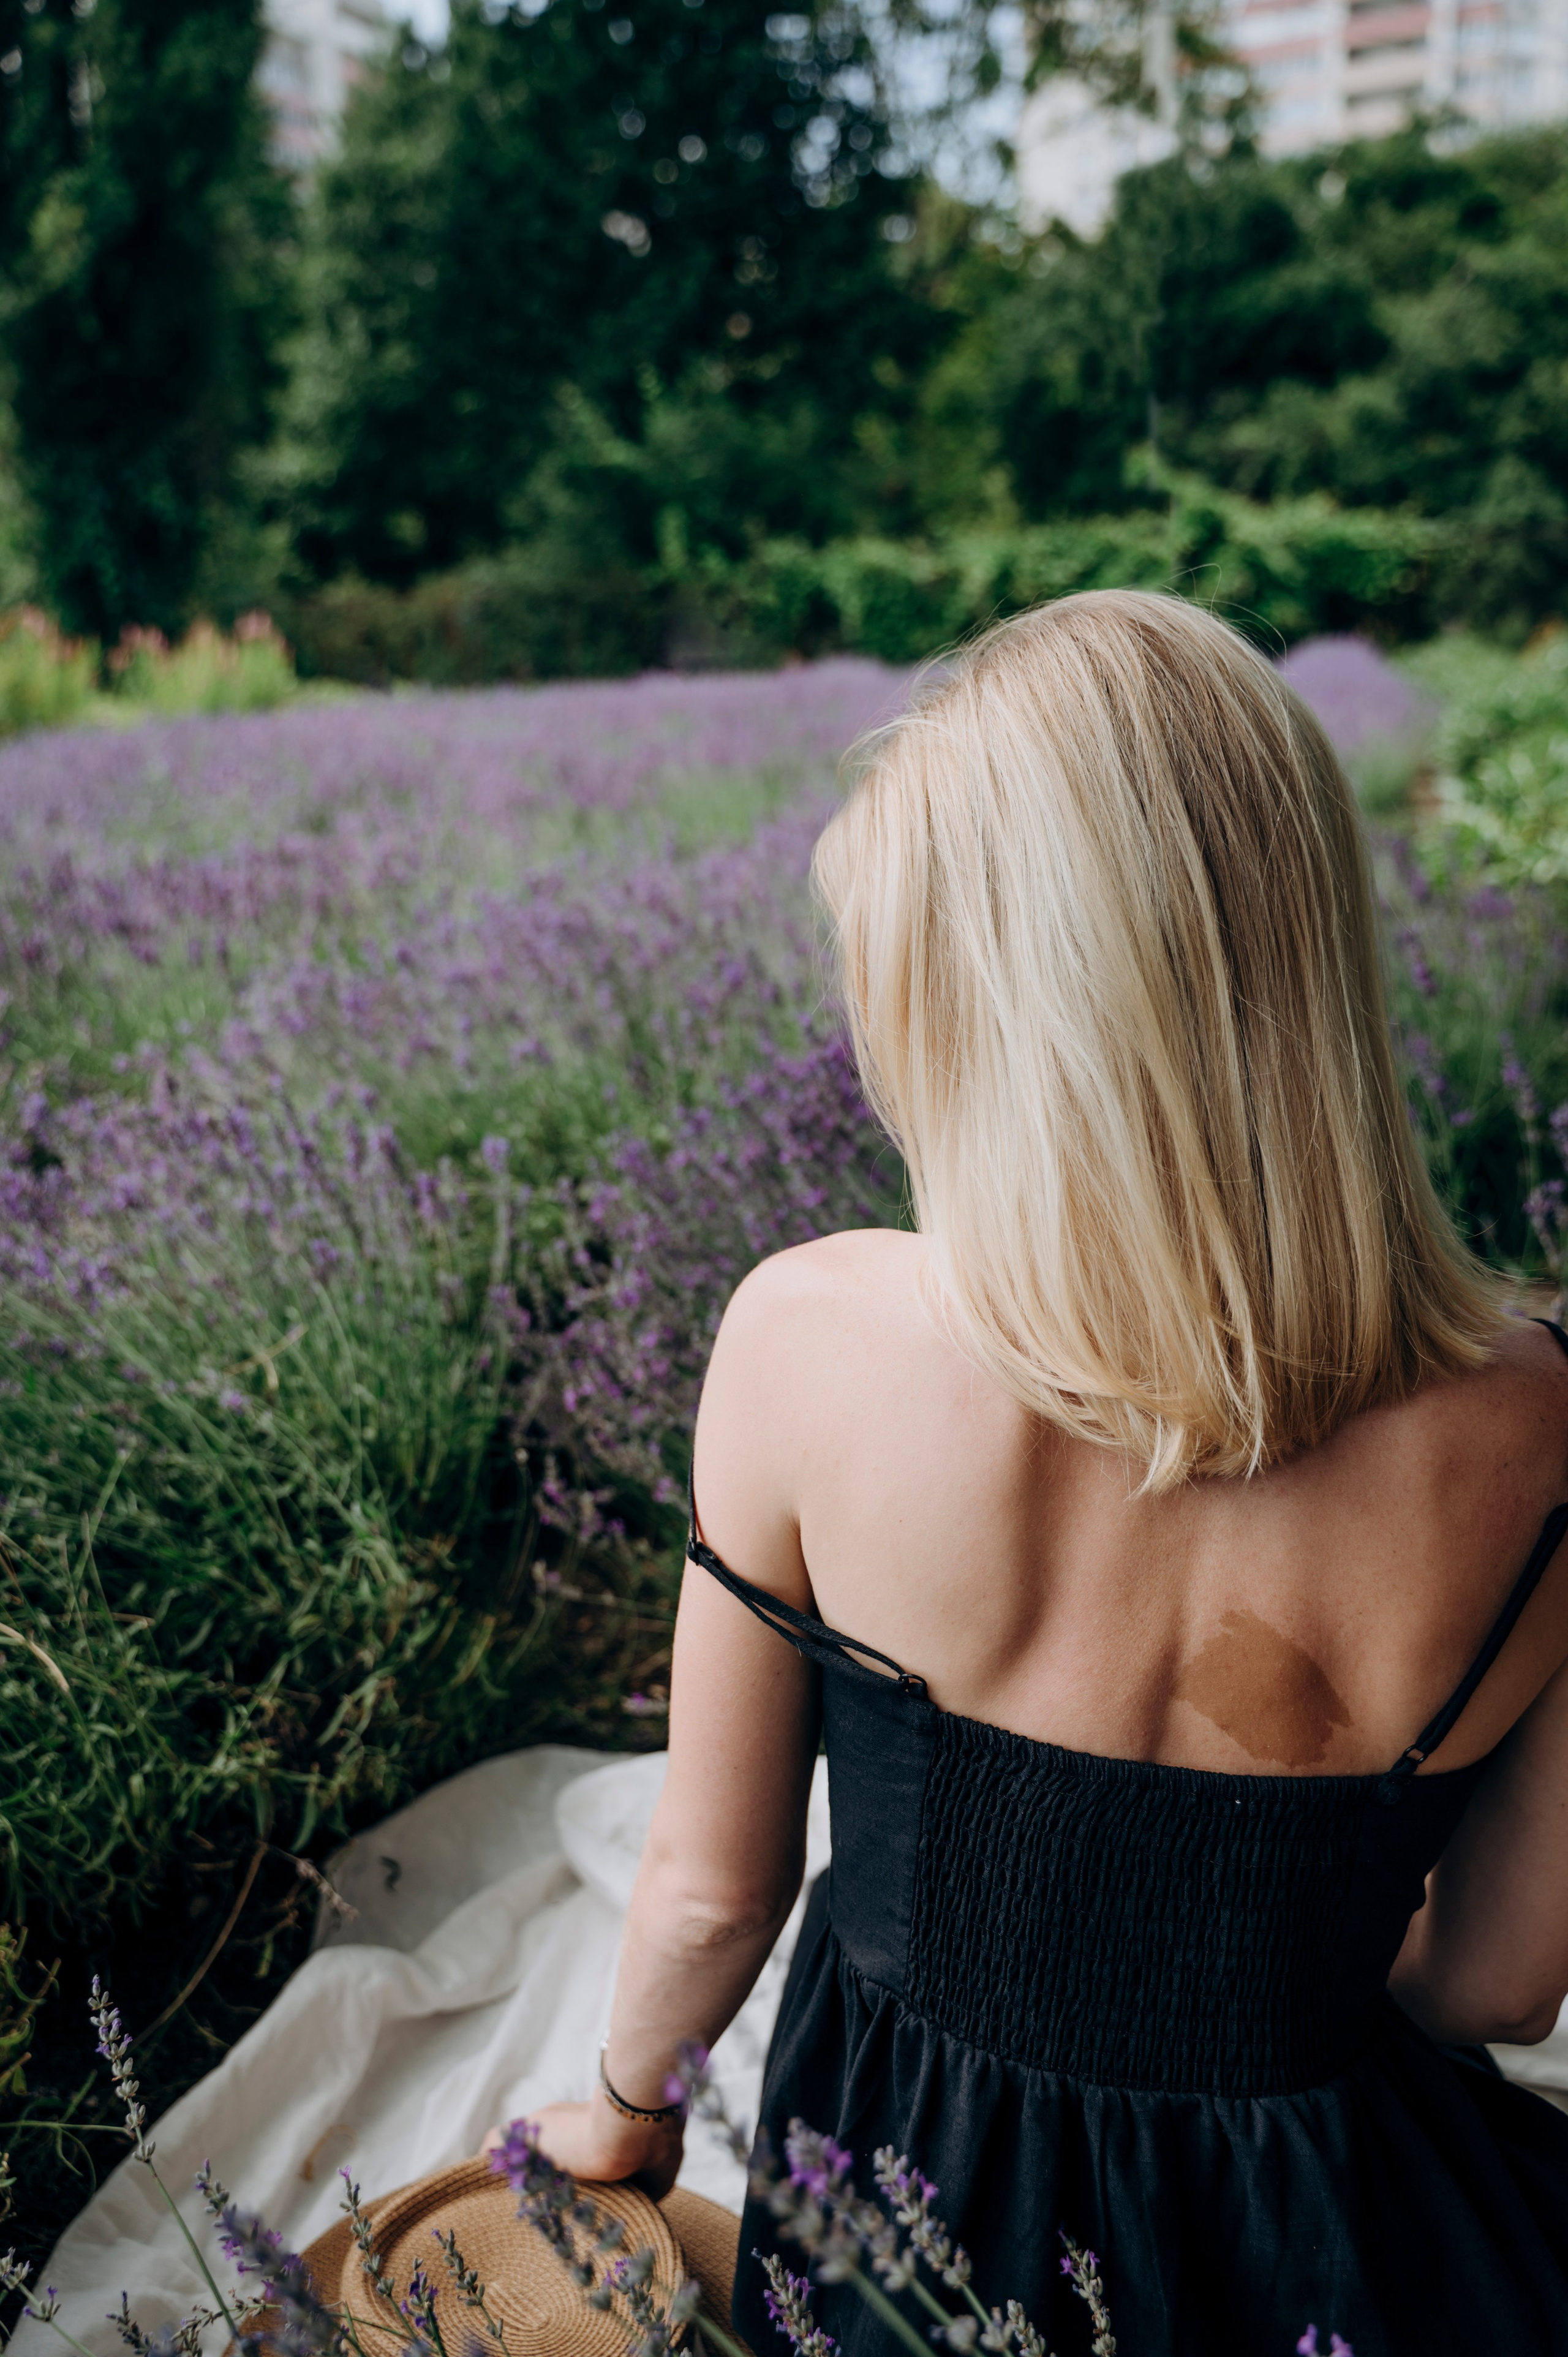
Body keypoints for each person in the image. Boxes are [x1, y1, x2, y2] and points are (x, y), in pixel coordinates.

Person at [498, 593, 1568, 2355]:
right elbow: (1503, 1983)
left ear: (987, 1010)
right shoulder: (1539, 1440)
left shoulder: (805, 1339)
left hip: (911, 2229)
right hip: (1318, 2240)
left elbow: (708, 1893)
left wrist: (620, 2116)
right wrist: (1256, 1964)